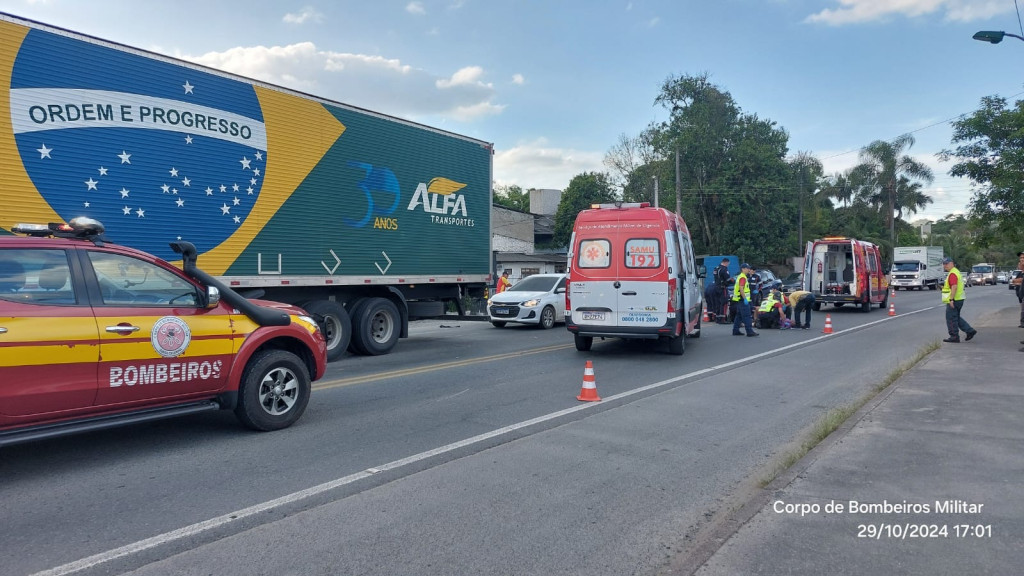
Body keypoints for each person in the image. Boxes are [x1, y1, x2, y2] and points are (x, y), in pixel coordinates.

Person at [940, 256, 977, 343]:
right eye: (944, 264)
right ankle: (969, 330)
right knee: (955, 317)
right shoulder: (955, 272)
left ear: (952, 263)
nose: (945, 266)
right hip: (959, 299)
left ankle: (954, 336)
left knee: (951, 318)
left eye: (947, 264)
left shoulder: (953, 273)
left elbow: (954, 286)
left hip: (955, 300)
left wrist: (951, 299)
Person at [731, 262, 758, 337]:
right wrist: (745, 299)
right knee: (747, 316)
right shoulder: (743, 277)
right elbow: (741, 288)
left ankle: (735, 330)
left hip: (740, 299)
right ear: (743, 269)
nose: (749, 269)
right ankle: (749, 331)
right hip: (742, 300)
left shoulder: (741, 276)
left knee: (739, 315)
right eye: (747, 268)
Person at [712, 258, 732, 323]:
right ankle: (722, 318)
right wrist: (732, 281)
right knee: (724, 303)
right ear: (726, 262)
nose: (728, 265)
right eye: (728, 264)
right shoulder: (724, 269)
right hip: (722, 287)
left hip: (716, 287)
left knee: (717, 303)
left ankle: (717, 318)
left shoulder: (716, 268)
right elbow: (727, 279)